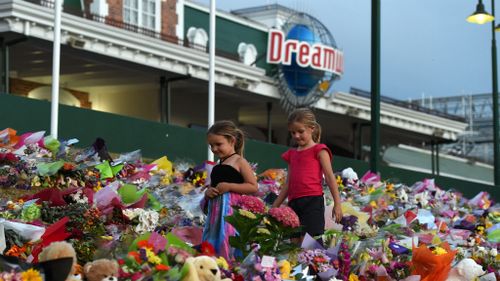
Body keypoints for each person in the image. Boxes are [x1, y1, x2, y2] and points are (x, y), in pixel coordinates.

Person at [272, 108, 343, 243]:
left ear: (311, 128)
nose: (296, 136)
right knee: (293, 242)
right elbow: (289, 184)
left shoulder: (320, 150)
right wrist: (275, 206)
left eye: (300, 131)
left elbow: (329, 177)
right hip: (293, 202)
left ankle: (312, 264)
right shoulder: (292, 154)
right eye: (293, 132)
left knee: (311, 242)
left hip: (312, 201)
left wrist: (337, 204)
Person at [202, 120, 258, 259]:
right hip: (215, 216)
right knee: (213, 243)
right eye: (211, 145)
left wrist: (229, 186)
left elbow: (253, 186)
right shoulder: (216, 166)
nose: (214, 149)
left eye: (218, 144)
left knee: (228, 242)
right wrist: (208, 193)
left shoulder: (239, 161)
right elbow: (212, 187)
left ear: (232, 141)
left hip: (230, 214)